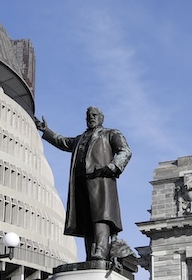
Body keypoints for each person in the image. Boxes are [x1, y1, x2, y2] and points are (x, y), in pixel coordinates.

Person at [36, 106, 131, 261]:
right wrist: (46, 130)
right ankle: (90, 254)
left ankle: (101, 250)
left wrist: (112, 167)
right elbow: (63, 142)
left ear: (102, 118)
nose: (91, 117)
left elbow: (125, 151)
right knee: (86, 219)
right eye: (88, 115)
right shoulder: (80, 138)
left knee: (101, 216)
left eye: (94, 115)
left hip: (101, 181)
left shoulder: (110, 133)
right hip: (81, 183)